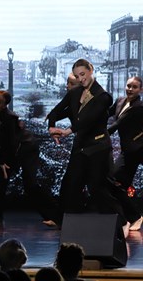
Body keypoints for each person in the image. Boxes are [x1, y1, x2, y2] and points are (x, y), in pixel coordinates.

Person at [46, 58, 128, 233]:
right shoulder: (74, 93)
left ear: (91, 70)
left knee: (98, 188)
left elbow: (87, 120)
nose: (80, 78)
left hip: (98, 147)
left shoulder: (104, 97)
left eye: (83, 74)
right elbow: (56, 111)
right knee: (71, 185)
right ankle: (69, 225)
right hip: (80, 147)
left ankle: (122, 221)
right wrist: (52, 127)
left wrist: (67, 131)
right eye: (77, 76)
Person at [0, 90, 60, 225]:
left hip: (26, 149)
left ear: (4, 105)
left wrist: (4, 161)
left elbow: (13, 142)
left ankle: (54, 216)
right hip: (9, 151)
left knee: (30, 185)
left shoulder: (10, 118)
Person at [108, 76, 143, 231]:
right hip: (128, 149)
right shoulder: (120, 101)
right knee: (119, 184)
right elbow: (105, 114)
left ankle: (134, 217)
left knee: (115, 181)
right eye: (129, 86)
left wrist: (98, 136)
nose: (130, 89)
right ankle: (131, 217)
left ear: (140, 90)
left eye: (134, 87)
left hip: (136, 150)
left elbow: (117, 124)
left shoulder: (138, 106)